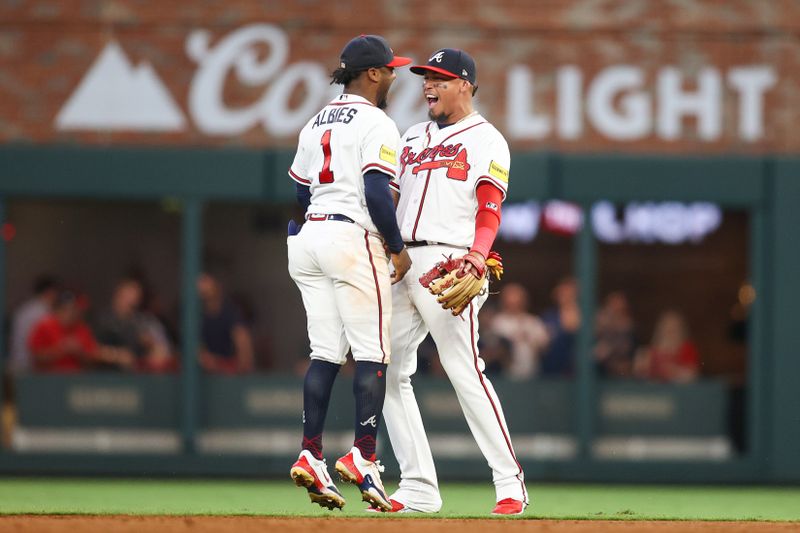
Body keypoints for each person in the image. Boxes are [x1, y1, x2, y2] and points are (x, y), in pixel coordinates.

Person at [382, 48, 528, 515]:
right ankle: (419, 484)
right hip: (402, 259)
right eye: (426, 78)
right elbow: (390, 197)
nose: (428, 85)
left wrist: (478, 257)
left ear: (465, 84)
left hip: (451, 261)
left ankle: (510, 482)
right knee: (384, 369)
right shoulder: (412, 135)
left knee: (465, 371)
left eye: (440, 79)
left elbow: (490, 207)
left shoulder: (488, 139)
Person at [286, 35, 412, 511]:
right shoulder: (378, 121)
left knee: (324, 353)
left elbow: (300, 192)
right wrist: (396, 249)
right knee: (372, 354)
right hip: (350, 238)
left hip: (308, 239)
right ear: (374, 73)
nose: (397, 75)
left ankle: (311, 452)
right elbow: (378, 193)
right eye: (391, 69)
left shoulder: (315, 119)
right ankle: (364, 456)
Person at [94, 277, 173, 373]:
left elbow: (160, 349)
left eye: (136, 296)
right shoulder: (103, 319)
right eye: (128, 294)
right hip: (105, 376)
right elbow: (91, 349)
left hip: (133, 377)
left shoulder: (140, 321)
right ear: (119, 293)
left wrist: (152, 346)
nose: (132, 300)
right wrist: (116, 355)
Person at [28, 290, 101, 373]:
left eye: (75, 310)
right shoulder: (44, 326)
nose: (72, 314)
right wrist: (62, 349)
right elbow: (36, 356)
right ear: (58, 310)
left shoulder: (82, 328)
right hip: (48, 378)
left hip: (76, 378)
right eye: (68, 310)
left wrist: (79, 352)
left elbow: (93, 358)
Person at [197, 272, 254, 374]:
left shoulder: (231, 315)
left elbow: (245, 357)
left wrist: (219, 364)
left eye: (206, 282)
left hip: (230, 376)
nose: (203, 288)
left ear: (217, 286)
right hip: (203, 380)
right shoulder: (195, 317)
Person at [490, 283, 549, 380]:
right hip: (504, 376)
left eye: (517, 298)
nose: (514, 302)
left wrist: (531, 341)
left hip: (533, 375)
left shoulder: (533, 322)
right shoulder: (497, 322)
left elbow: (545, 346)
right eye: (510, 298)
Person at [9, 275, 59, 374]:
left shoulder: (26, 308)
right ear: (49, 292)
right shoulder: (42, 313)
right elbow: (37, 349)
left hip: (19, 364)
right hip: (28, 368)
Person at [635, 310, 701, 383]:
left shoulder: (687, 348)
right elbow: (641, 374)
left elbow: (692, 375)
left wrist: (674, 370)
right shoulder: (651, 350)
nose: (669, 331)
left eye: (674, 328)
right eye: (667, 327)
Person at [540, 277, 580, 376]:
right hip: (554, 370)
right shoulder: (549, 317)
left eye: (570, 293)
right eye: (562, 293)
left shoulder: (587, 316)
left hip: (578, 370)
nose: (566, 296)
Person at [593, 291, 637, 378]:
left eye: (619, 306)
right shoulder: (601, 321)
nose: (616, 308)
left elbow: (626, 348)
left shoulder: (627, 327)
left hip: (619, 373)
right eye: (613, 305)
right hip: (600, 372)